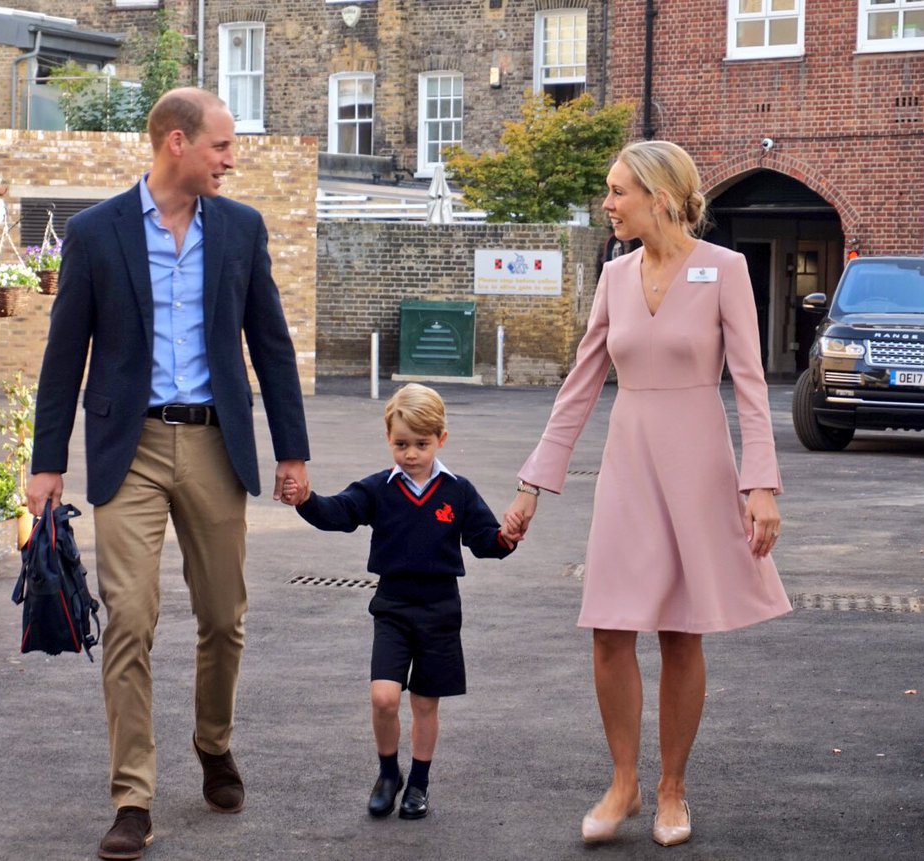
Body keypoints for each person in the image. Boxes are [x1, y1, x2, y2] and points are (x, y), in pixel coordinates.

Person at [26, 87, 311, 861]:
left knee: (224, 616)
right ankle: (133, 794)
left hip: (217, 445)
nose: (231, 158)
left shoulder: (243, 230)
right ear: (176, 142)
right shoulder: (97, 232)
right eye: (221, 145)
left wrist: (292, 451)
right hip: (133, 449)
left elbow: (272, 344)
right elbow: (63, 358)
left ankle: (213, 741)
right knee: (131, 618)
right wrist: (45, 464)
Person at [503, 141, 791, 848]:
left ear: (660, 195)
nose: (608, 203)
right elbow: (579, 386)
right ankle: (624, 781)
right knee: (608, 627)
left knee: (681, 631)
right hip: (628, 467)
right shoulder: (614, 276)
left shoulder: (724, 270)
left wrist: (761, 485)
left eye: (617, 190)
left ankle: (672, 787)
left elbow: (751, 387)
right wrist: (534, 482)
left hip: (698, 465)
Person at [281, 384, 517, 821]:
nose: (410, 454)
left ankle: (419, 785)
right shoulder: (378, 489)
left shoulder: (458, 491)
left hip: (441, 610)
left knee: (426, 703)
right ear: (388, 438)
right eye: (401, 444)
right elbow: (339, 512)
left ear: (441, 440)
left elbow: (486, 541)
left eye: (421, 444)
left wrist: (507, 538)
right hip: (392, 607)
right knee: (385, 697)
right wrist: (306, 500)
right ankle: (388, 774)